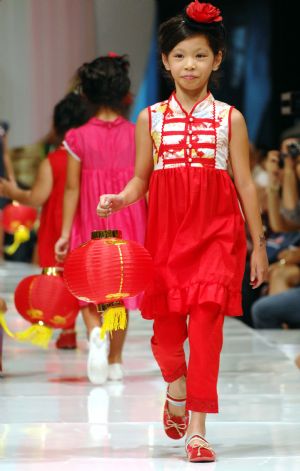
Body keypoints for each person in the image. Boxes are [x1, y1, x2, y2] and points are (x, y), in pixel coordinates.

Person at [97, 1, 268, 463]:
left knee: (208, 330)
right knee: (167, 338)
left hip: (218, 236)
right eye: (179, 56)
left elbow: (246, 183)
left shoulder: (229, 118)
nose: (189, 65)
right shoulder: (150, 119)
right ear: (166, 61)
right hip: (167, 242)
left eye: (198, 55)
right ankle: (175, 384)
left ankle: (198, 427)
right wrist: (120, 198)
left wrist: (258, 244)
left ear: (217, 59)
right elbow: (141, 179)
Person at [55, 54, 147, 384]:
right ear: (123, 92)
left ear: (88, 94)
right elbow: (145, 183)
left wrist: (65, 232)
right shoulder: (138, 134)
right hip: (128, 218)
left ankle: (95, 331)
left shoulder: (78, 137)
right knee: (119, 289)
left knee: (88, 284)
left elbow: (70, 188)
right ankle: (116, 360)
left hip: (91, 215)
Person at [0, 93, 90, 348]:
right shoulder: (90, 160)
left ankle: (67, 332)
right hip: (85, 228)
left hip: (57, 230)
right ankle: (95, 332)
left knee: (59, 281)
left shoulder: (54, 161)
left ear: (57, 126)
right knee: (85, 281)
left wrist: (11, 192)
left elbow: (36, 197)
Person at [0, 121, 15, 262]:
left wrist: (11, 179)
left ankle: (0, 254)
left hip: (0, 179)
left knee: (0, 216)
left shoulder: (2, 127)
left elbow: (5, 154)